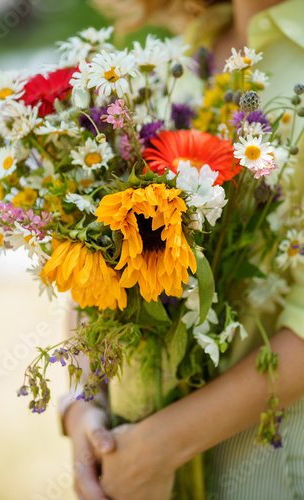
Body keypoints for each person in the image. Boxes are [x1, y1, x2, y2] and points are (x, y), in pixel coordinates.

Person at [61, 1, 304, 499]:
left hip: (265, 467)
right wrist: (82, 404)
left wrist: (158, 448)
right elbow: (97, 253)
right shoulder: (177, 61)